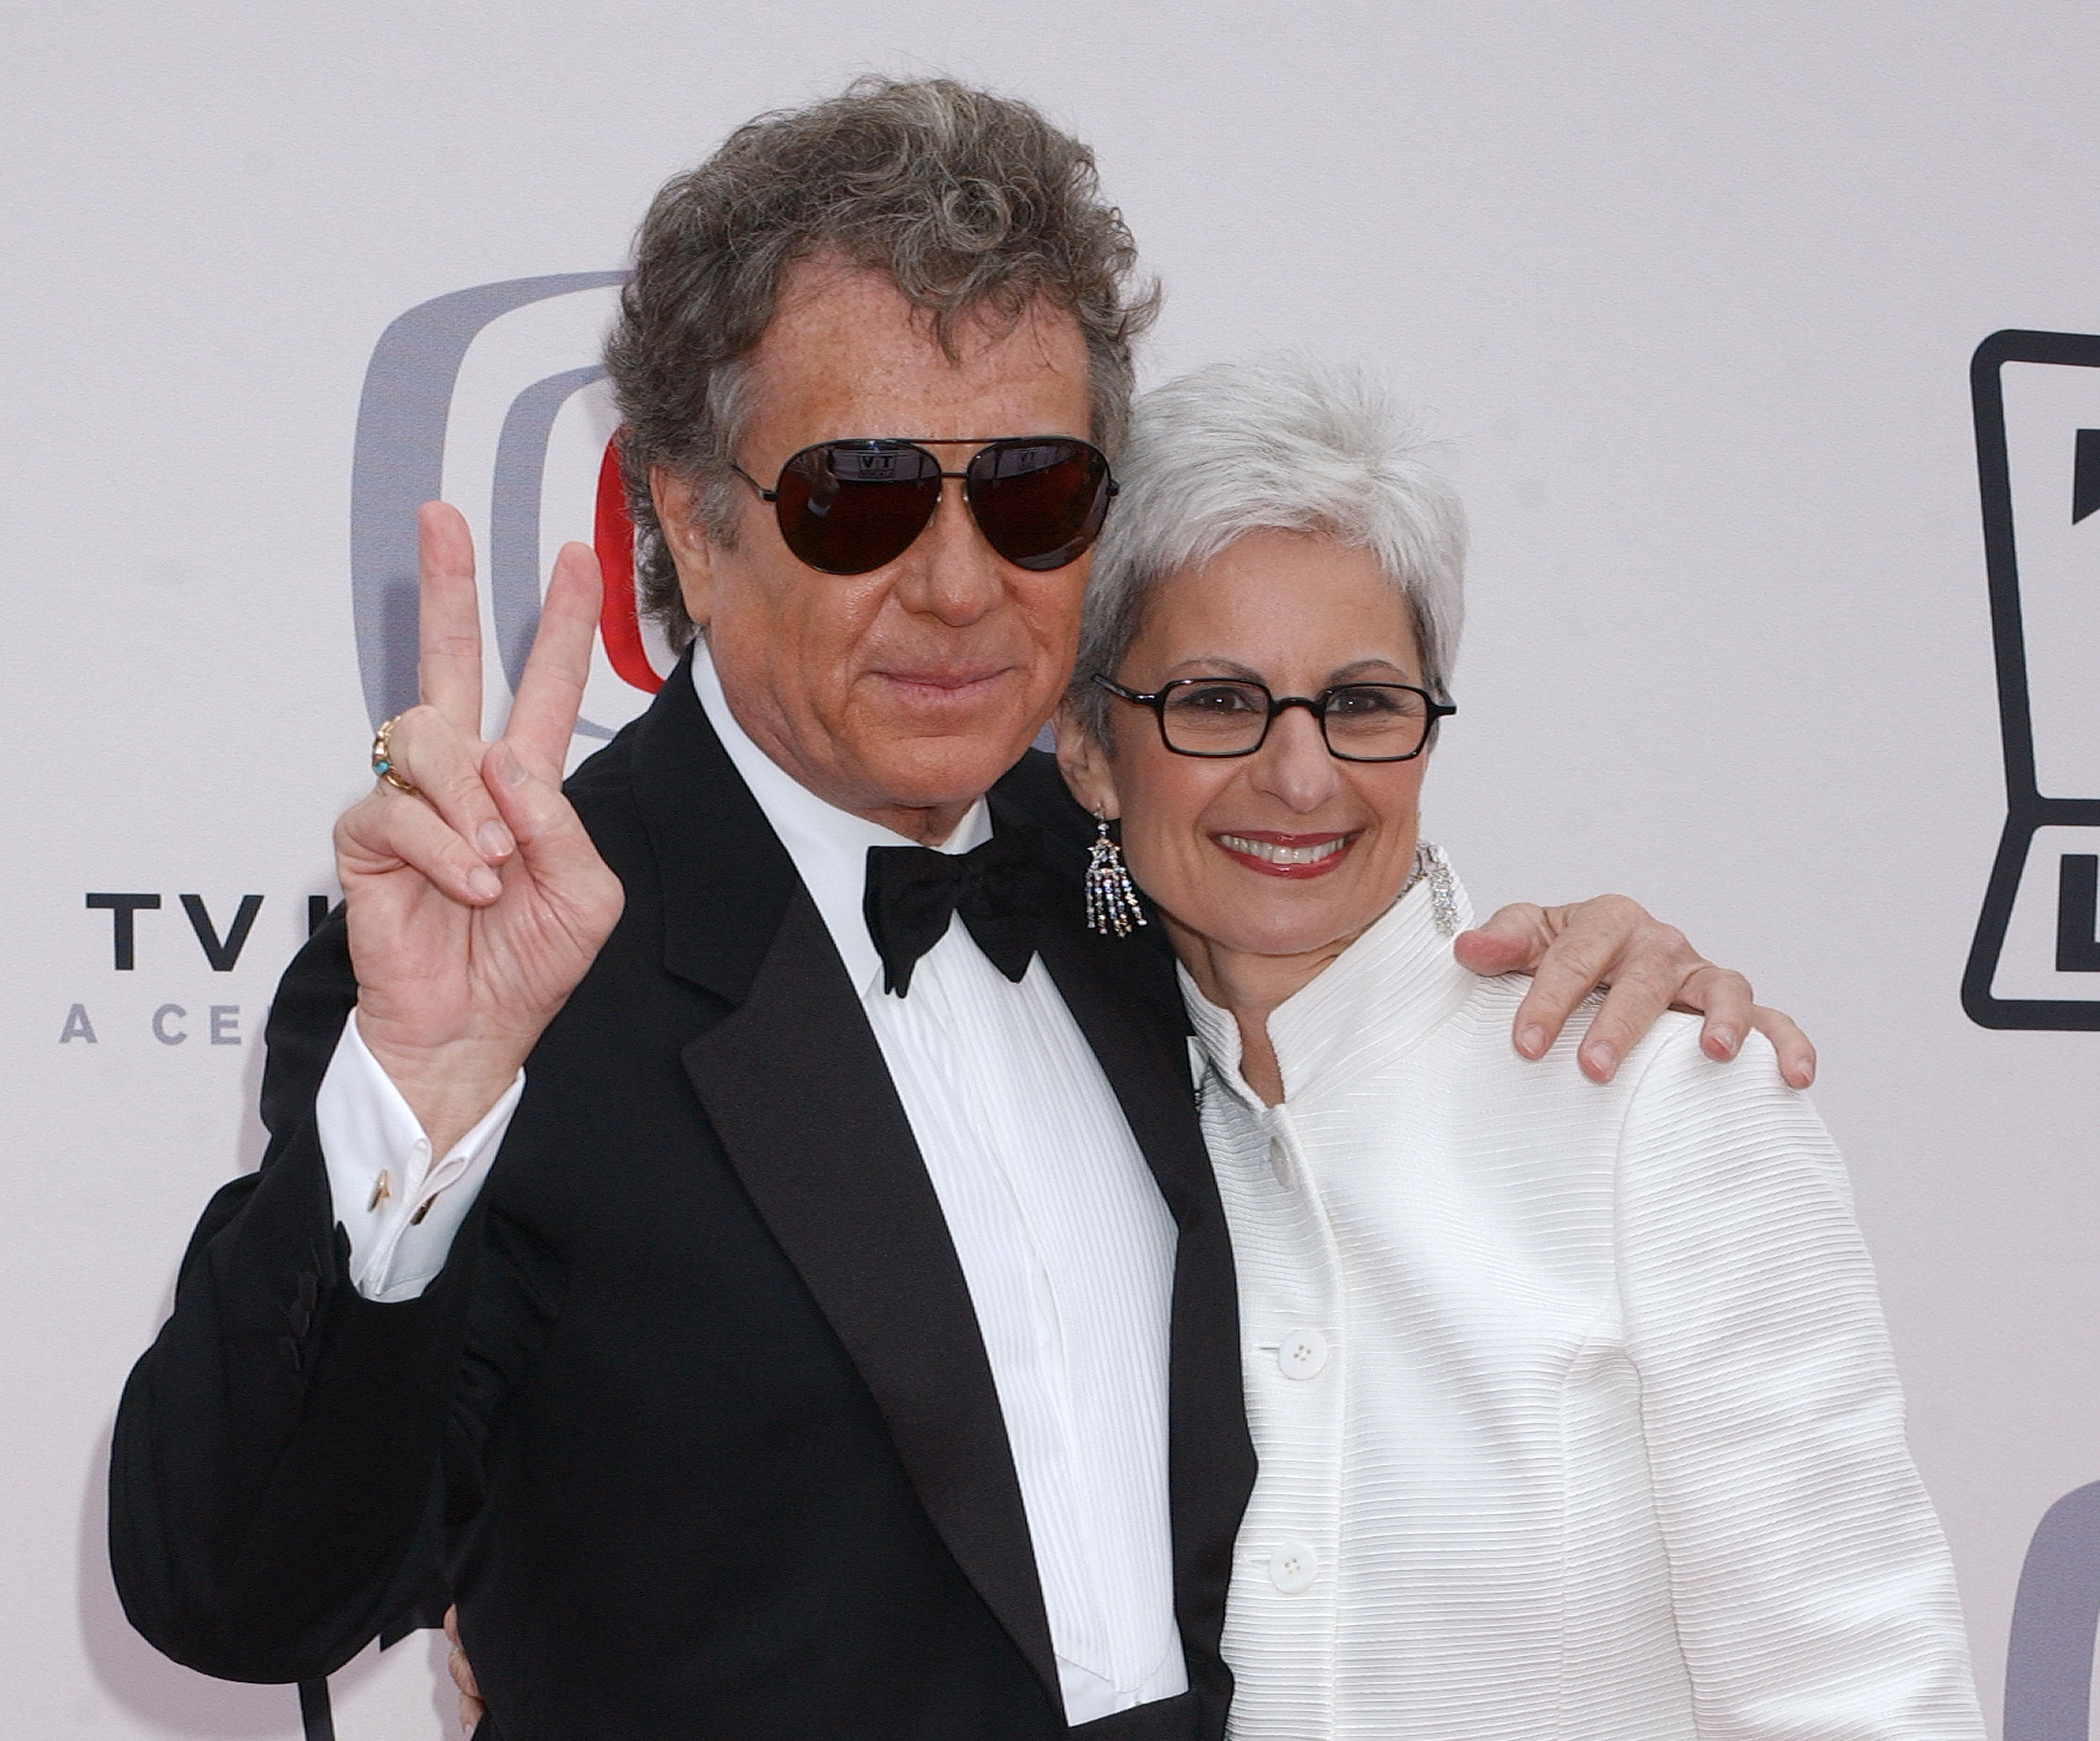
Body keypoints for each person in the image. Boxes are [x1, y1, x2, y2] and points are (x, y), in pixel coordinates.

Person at [110, 81, 1810, 1740]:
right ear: (692, 527)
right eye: (856, 498)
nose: (954, 582)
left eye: (1031, 496)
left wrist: (1588, 975)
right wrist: (428, 1094)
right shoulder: (513, 972)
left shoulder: (1124, 873)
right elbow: (247, 1591)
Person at [1052, 358, 1984, 1739]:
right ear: (1087, 749)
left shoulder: (1659, 1101)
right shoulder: (1063, 1122)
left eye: (1364, 703)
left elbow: (1857, 1695)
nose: (1301, 776)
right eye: (1218, 699)